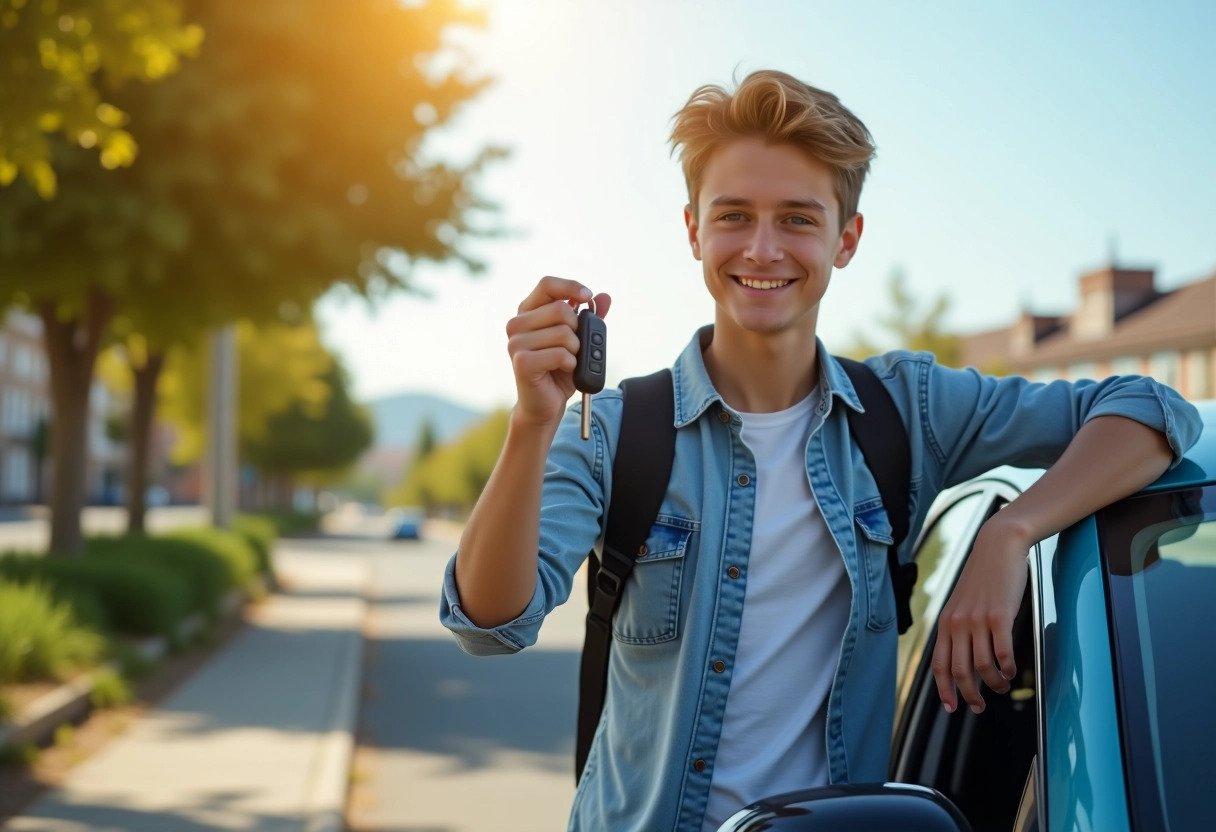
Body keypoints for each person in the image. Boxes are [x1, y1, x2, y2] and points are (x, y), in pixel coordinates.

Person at [439, 69, 1203, 832]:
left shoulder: (908, 410)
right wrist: (531, 424)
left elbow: (1152, 408)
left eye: (797, 219)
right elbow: (489, 623)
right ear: (693, 230)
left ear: (846, 238)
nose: (763, 249)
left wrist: (1011, 532)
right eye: (734, 215)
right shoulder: (611, 430)